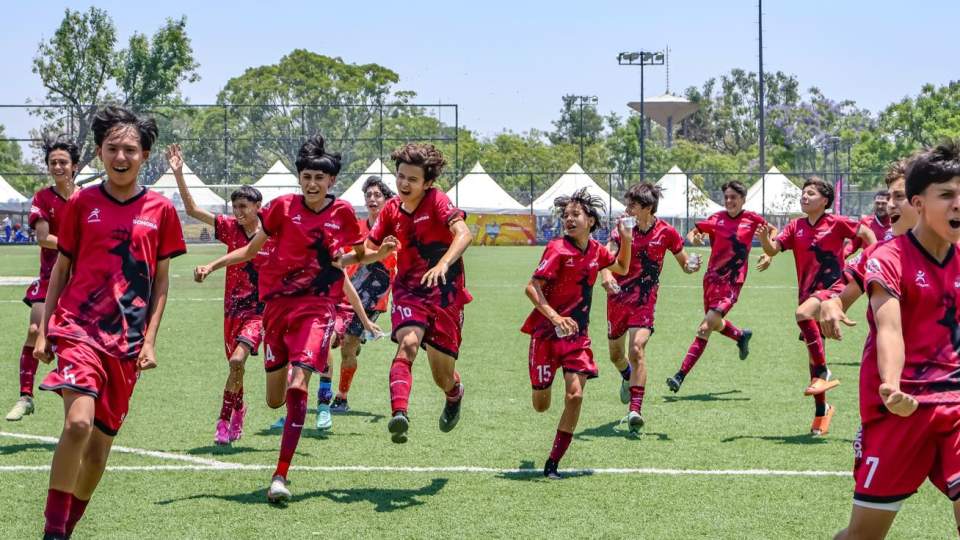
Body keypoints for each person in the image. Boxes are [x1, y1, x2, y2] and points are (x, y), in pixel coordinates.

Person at [194, 135, 383, 503]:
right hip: (276, 310)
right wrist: (213, 264)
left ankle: (280, 475)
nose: (312, 183)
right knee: (275, 399)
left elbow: (357, 255)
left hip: (316, 309)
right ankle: (276, 418)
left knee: (299, 385)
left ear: (331, 182)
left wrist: (378, 252)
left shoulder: (342, 213)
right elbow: (250, 250)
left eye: (319, 178)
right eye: (307, 176)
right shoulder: (281, 207)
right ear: (300, 178)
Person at [34, 106, 185, 539]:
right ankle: (52, 532)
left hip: (128, 342)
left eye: (131, 149)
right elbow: (61, 268)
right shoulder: (82, 202)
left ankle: (68, 528)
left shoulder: (160, 210)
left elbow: (160, 284)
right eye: (113, 148)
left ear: (146, 155)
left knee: (98, 452)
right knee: (78, 423)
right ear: (100, 152)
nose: (121, 156)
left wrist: (151, 341)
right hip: (77, 327)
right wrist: (45, 329)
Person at [834, 141, 960, 539]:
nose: (958, 204)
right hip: (900, 410)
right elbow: (889, 327)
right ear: (918, 203)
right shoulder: (888, 258)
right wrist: (890, 385)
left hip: (956, 404)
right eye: (947, 195)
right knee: (863, 537)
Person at [342, 143, 472, 445]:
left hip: (446, 295)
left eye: (412, 180)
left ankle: (454, 394)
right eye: (400, 176)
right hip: (409, 291)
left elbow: (464, 234)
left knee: (443, 376)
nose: (403, 184)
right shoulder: (390, 210)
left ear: (427, 183)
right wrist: (337, 260)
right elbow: (369, 252)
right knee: (408, 343)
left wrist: (443, 263)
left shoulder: (437, 201)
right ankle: (399, 414)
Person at [522, 187, 632, 478]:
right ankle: (543, 386)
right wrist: (556, 317)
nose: (568, 219)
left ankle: (553, 463)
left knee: (575, 396)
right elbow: (531, 288)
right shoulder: (557, 249)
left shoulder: (597, 251)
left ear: (591, 221)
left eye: (576, 214)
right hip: (545, 335)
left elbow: (622, 265)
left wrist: (628, 240)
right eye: (565, 215)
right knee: (541, 406)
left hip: (577, 338)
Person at [166, 143, 269, 445]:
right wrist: (178, 174)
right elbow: (192, 210)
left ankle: (223, 420)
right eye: (235, 207)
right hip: (231, 310)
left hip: (259, 312)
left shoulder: (270, 234)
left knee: (238, 360)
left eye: (244, 207)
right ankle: (238, 408)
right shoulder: (228, 227)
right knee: (233, 367)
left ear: (258, 208)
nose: (237, 212)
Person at [759, 177, 876, 436]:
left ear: (824, 201)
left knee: (802, 315)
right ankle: (822, 412)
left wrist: (875, 255)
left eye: (810, 193)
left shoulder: (836, 222)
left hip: (832, 290)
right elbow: (774, 249)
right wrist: (765, 240)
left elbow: (865, 232)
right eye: (803, 193)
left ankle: (824, 371)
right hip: (807, 293)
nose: (804, 197)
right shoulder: (795, 226)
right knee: (814, 357)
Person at [600, 182, 700, 430]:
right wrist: (607, 278)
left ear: (647, 207)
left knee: (637, 348)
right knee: (616, 355)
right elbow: (606, 257)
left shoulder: (667, 232)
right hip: (618, 297)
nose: (627, 208)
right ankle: (626, 376)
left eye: (632, 205)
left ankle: (635, 410)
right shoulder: (622, 227)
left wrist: (691, 266)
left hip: (645, 299)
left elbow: (684, 263)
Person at [666, 181, 772, 393]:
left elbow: (772, 230)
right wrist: (694, 239)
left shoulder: (752, 219)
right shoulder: (717, 219)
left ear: (743, 199)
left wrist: (768, 251)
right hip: (712, 280)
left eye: (734, 197)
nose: (729, 201)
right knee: (714, 323)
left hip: (733, 282)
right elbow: (693, 233)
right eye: (727, 197)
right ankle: (741, 336)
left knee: (706, 326)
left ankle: (680, 375)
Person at [5, 136, 78, 421]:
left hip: (82, 280)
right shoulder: (43, 198)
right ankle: (26, 396)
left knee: (73, 341)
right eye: (53, 162)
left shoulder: (88, 197)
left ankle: (78, 399)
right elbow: (44, 238)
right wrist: (75, 246)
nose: (57, 166)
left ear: (74, 166)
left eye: (63, 162)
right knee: (36, 331)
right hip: (49, 277)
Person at [327, 175, 397, 415]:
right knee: (331, 341)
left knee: (347, 347)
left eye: (377, 195)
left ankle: (341, 397)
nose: (372, 199)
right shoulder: (357, 228)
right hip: (346, 293)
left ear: (388, 200)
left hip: (373, 297)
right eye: (368, 195)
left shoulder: (395, 231)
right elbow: (345, 258)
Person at [841, 189, 889, 260]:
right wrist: (840, 257)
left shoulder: (897, 223)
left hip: (890, 265)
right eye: (877, 203)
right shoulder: (865, 223)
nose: (880, 206)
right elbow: (853, 244)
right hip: (870, 265)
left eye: (883, 203)